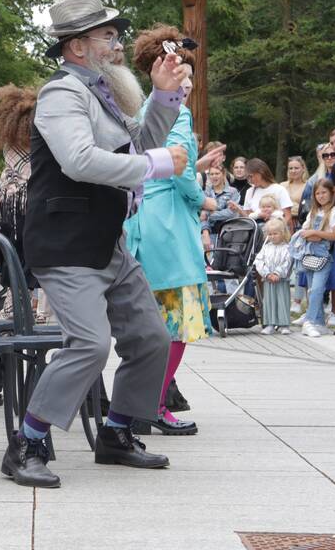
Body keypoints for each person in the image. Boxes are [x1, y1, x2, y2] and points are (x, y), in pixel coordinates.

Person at [3, 0, 189, 489]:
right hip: (66, 244)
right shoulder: (62, 93)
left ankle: (117, 432)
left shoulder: (102, 92)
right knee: (89, 343)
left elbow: (142, 142)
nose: (118, 44)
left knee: (151, 337)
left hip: (106, 241)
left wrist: (167, 95)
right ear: (79, 47)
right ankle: (27, 442)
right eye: (109, 35)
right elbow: (80, 161)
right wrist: (156, 165)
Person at [124, 24, 220, 437]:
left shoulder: (144, 108)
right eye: (183, 67)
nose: (188, 77)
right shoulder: (178, 111)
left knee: (150, 321)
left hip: (143, 218)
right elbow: (176, 168)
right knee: (176, 320)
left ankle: (140, 403)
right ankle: (154, 404)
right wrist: (205, 199)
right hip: (168, 226)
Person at [0, 84, 39, 284]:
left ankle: (16, 301)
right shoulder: (34, 142)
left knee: (10, 255)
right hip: (24, 203)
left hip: (5, 201)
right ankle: (26, 303)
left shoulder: (9, 142)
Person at [299, 179, 335, 338]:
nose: (321, 196)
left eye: (324, 192)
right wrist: (311, 235)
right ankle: (320, 323)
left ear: (331, 193)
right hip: (310, 255)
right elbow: (304, 233)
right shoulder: (313, 212)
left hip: (324, 255)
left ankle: (308, 322)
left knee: (317, 289)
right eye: (317, 193)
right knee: (311, 289)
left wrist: (315, 233)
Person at [229, 159, 293, 229]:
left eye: (251, 176)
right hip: (257, 233)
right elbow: (248, 218)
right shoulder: (250, 191)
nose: (250, 180)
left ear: (260, 173)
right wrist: (238, 210)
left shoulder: (279, 189)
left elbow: (288, 217)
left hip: (276, 233)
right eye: (248, 177)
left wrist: (275, 229)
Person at [254, 218, 292, 334]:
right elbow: (259, 261)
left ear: (283, 233)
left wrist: (277, 273)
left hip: (281, 280)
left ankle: (283, 324)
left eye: (275, 233)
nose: (272, 236)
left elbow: (288, 262)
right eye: (270, 234)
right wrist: (267, 273)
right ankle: (270, 324)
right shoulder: (266, 248)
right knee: (269, 301)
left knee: (282, 300)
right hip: (268, 280)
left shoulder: (287, 248)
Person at [200, 164, 239, 251]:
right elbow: (201, 216)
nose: (214, 176)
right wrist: (205, 233)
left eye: (217, 173)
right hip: (208, 233)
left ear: (223, 174)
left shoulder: (232, 192)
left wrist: (209, 214)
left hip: (227, 233)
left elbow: (231, 213)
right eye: (212, 174)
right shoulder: (205, 193)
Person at [280, 156, 309, 228]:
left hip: (301, 222)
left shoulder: (308, 186)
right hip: (282, 220)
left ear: (303, 169)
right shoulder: (282, 185)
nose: (293, 171)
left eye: (296, 168)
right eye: (291, 168)